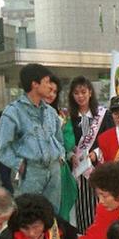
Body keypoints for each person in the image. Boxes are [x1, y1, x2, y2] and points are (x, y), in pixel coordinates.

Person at [0, 63, 66, 213]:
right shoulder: (13, 112)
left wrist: (61, 155)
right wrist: (19, 164)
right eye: (46, 82)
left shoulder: (50, 112)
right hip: (32, 170)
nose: (49, 87)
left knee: (52, 214)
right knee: (29, 215)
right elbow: (2, 147)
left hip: (54, 170)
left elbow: (59, 139)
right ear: (35, 84)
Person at [68, 75, 114, 239]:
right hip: (79, 172)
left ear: (90, 92)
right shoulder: (69, 118)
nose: (80, 96)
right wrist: (71, 153)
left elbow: (110, 139)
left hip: (97, 171)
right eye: (76, 92)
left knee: (98, 212)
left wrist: (95, 154)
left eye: (84, 92)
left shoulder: (103, 115)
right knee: (83, 213)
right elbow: (66, 140)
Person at [45, 74, 77, 222]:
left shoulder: (62, 115)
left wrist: (68, 154)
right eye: (48, 90)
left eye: (55, 91)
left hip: (59, 166)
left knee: (60, 209)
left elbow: (68, 141)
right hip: (38, 168)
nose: (51, 94)